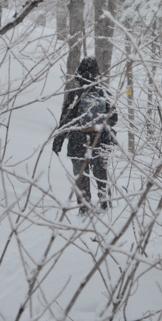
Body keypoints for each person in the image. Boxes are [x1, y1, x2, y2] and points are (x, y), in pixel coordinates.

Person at [52, 55, 117, 213]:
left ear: (79, 72)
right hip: (99, 142)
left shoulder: (74, 95)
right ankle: (105, 206)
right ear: (97, 73)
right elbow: (114, 118)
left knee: (81, 177)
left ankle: (84, 208)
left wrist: (58, 142)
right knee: (101, 175)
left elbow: (65, 121)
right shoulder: (104, 93)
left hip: (77, 142)